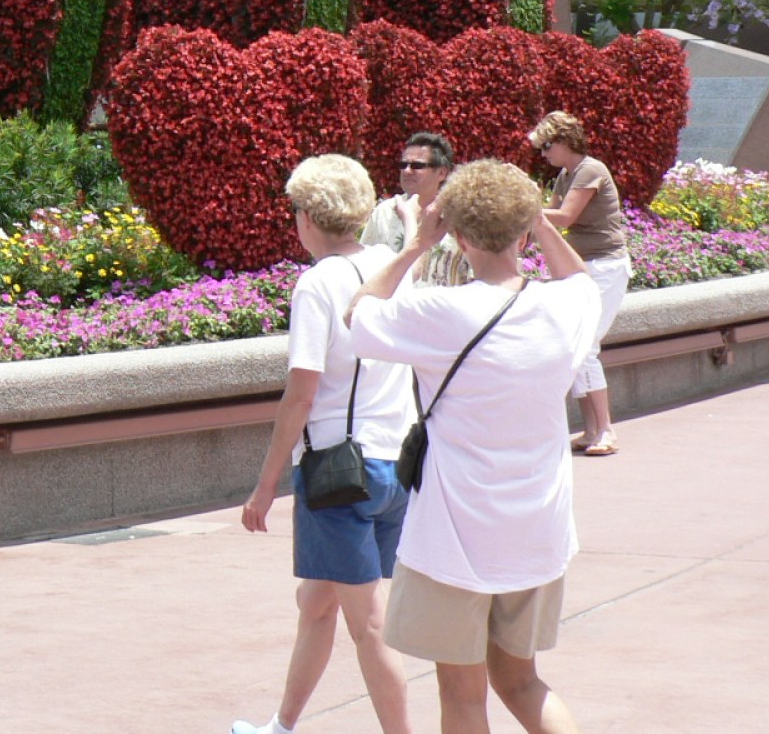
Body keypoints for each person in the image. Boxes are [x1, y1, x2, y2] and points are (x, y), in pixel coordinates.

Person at [346, 159, 601, 734]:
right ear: (523, 231)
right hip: (537, 529)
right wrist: (539, 221)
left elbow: (357, 312)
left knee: (462, 694)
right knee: (522, 681)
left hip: (454, 535)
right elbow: (580, 278)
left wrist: (416, 244)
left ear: (458, 237)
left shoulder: (439, 311)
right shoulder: (565, 308)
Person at [232, 155, 415, 734]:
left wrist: (266, 486)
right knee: (316, 601)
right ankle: (282, 725)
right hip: (394, 466)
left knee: (370, 626)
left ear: (308, 217)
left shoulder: (317, 284)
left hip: (339, 474)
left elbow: (301, 394)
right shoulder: (390, 265)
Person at [531, 112, 631, 457]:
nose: (544, 153)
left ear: (564, 140)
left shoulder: (590, 170)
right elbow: (548, 222)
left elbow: (565, 217)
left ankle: (606, 430)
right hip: (582, 266)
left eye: (547, 145)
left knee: (585, 347)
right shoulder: (565, 175)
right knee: (574, 346)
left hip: (606, 267)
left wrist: (522, 208)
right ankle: (591, 430)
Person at [363, 133, 469, 286]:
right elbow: (366, 266)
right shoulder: (384, 212)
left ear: (442, 172)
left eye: (417, 166)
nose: (407, 171)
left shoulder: (459, 217)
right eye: (403, 165)